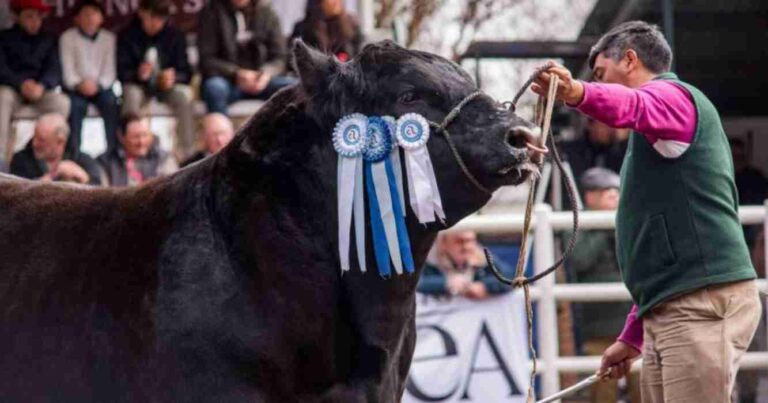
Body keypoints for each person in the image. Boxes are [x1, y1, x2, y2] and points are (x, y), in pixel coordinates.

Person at [532, 21, 761, 402]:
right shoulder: (660, 124)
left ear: (631, 60)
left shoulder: (672, 97)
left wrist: (577, 92)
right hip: (681, 303)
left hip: (697, 303)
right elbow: (661, 246)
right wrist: (633, 335)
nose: (599, 85)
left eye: (602, 75)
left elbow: (631, 105)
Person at [569, 167, 638, 403]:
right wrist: (603, 226)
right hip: (597, 324)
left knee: (644, 387)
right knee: (602, 391)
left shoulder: (629, 220)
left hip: (634, 320)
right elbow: (579, 260)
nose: (614, 196)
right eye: (606, 191)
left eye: (616, 191)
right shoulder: (579, 224)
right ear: (590, 196)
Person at [117, 0, 195, 159]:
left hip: (166, 88)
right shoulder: (127, 35)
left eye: (161, 19)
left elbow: (186, 72)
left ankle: (187, 155)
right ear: (141, 13)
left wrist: (174, 77)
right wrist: (138, 74)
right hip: (139, 87)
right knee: (130, 94)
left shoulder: (175, 34)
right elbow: (122, 74)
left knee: (184, 96)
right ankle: (128, 154)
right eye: (152, 17)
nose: (156, 23)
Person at [0, 0, 70, 171]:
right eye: (29, 16)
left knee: (62, 102)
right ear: (17, 16)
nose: (35, 21)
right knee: (2, 97)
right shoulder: (4, 37)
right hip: (13, 90)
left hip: (40, 92)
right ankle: (0, 157)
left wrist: (42, 85)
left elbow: (54, 69)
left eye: (38, 16)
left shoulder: (48, 38)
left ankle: (55, 153)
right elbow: (1, 68)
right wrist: (20, 83)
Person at [198, 0, 297, 114]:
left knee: (294, 87)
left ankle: (290, 131)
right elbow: (207, 59)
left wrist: (266, 73)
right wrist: (237, 73)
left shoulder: (267, 13)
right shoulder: (211, 12)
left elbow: (279, 57)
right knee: (214, 88)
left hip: (262, 80)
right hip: (228, 80)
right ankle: (222, 131)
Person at [60, 0, 120, 156]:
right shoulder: (67, 37)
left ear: (101, 18)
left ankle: (113, 153)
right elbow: (68, 71)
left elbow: (110, 71)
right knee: (74, 107)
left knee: (111, 102)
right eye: (85, 14)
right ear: (77, 18)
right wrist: (80, 84)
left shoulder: (109, 38)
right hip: (76, 88)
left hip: (101, 87)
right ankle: (74, 154)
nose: (90, 18)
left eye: (94, 13)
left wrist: (98, 86)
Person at [10, 113, 101, 185]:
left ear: (60, 142)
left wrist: (82, 176)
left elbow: (99, 191)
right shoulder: (20, 160)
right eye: (34, 137)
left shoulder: (82, 159)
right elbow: (18, 193)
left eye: (41, 140)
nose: (34, 143)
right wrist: (52, 175)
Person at [418, 231, 514, 299]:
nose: (466, 247)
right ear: (443, 244)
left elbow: (510, 278)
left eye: (470, 241)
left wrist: (485, 287)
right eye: (459, 241)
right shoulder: (428, 260)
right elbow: (416, 284)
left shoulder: (481, 256)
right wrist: (446, 284)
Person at [97, 113, 178, 186]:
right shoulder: (106, 162)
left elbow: (173, 189)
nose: (141, 142)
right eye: (135, 137)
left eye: (145, 135)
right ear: (121, 136)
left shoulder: (164, 159)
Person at [290, 0, 364, 63]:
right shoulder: (303, 27)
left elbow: (359, 56)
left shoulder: (352, 25)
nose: (337, 1)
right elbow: (295, 60)